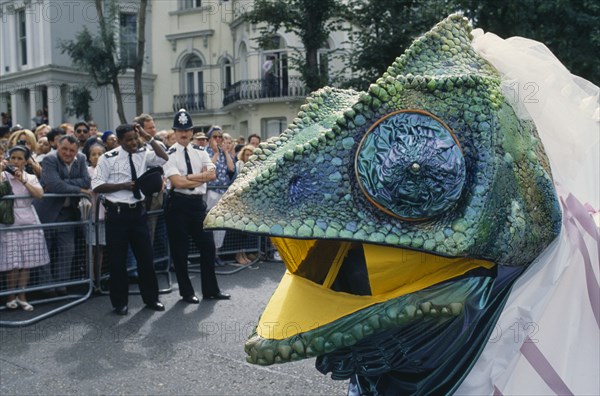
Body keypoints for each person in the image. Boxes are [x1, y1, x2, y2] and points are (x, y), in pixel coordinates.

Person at [92, 123, 168, 315]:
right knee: (118, 261)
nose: (134, 142)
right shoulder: (108, 158)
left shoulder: (143, 152)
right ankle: (120, 303)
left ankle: (151, 298)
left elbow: (163, 157)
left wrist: (147, 136)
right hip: (117, 214)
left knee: (146, 258)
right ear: (119, 141)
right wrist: (122, 186)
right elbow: (97, 185)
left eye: (135, 138)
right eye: (129, 140)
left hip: (138, 213)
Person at [163, 109, 231, 302]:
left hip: (197, 206)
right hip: (178, 205)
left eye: (186, 130)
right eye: (179, 130)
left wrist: (189, 177)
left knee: (208, 247)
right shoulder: (169, 155)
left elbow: (212, 175)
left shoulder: (201, 152)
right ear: (174, 132)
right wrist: (198, 179)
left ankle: (211, 290)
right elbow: (178, 183)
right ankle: (187, 292)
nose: (183, 133)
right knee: (180, 251)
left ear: (192, 131)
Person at [33, 135, 91, 293]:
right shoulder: (49, 159)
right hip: (47, 212)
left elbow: (87, 181)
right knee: (44, 250)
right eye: (64, 149)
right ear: (57, 146)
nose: (67, 153)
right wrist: (79, 189)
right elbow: (54, 185)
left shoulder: (82, 158)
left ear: (77, 150)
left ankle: (61, 285)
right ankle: (46, 286)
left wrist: (63, 182)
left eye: (72, 150)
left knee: (68, 249)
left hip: (68, 213)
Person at [0, 146, 49, 311]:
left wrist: (23, 180)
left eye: (20, 158)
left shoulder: (31, 177)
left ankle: (22, 295)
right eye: (13, 157)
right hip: (9, 221)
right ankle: (10, 296)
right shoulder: (2, 175)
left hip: (29, 219)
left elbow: (39, 195)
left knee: (26, 261)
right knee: (12, 261)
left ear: (25, 160)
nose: (15, 161)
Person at [205, 125, 235, 265]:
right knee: (210, 222)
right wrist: (216, 153)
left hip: (223, 192)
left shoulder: (224, 153)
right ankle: (209, 254)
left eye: (220, 137)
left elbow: (231, 168)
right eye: (215, 137)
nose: (218, 139)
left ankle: (217, 253)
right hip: (211, 191)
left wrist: (226, 152)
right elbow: (208, 169)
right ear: (210, 138)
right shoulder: (205, 152)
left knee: (220, 224)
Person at [85, 142, 106, 287]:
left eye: (100, 154)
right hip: (91, 215)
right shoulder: (87, 171)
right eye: (93, 154)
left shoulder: (108, 170)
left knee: (100, 249)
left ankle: (98, 279)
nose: (97, 157)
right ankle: (90, 279)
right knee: (90, 249)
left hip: (104, 215)